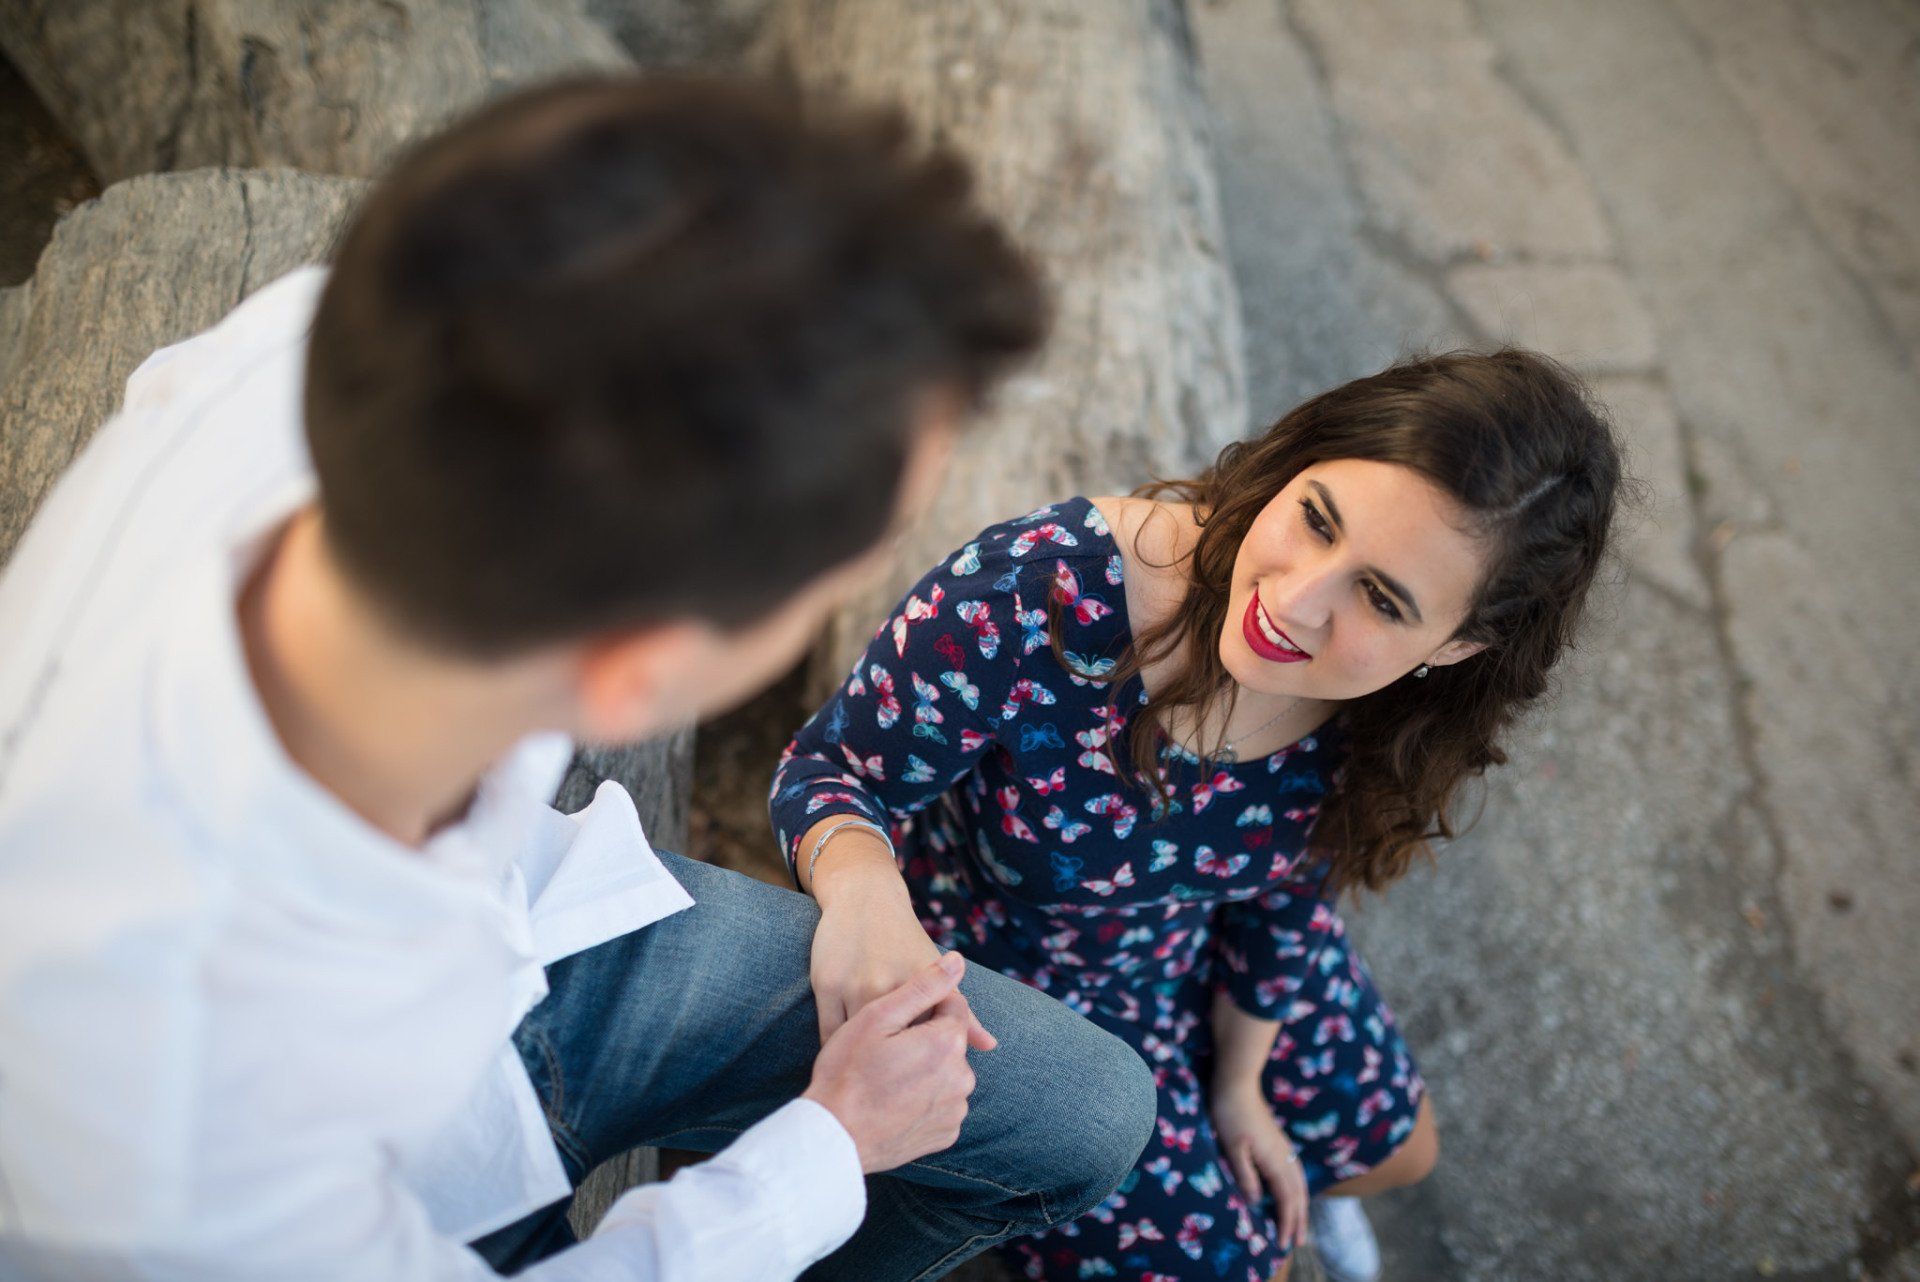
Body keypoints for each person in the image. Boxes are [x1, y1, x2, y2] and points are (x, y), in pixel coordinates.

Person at [0, 75, 1159, 1282]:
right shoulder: (171, 1145)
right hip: (412, 1189)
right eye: (839, 578)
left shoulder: (339, 345)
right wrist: (825, 1152)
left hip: (537, 924)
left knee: (1084, 1111)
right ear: (633, 680)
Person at [771, 349, 1626, 1282]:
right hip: (1007, 980)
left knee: (1402, 1148)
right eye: (1317, 518)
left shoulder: (1390, 714)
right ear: (1297, 463)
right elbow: (831, 769)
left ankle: (1265, 1194)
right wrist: (864, 894)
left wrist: (1239, 1084)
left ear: (1456, 647)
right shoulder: (1040, 591)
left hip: (1192, 945)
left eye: (1380, 598)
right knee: (1249, 1271)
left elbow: (1290, 892)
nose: (1294, 601)